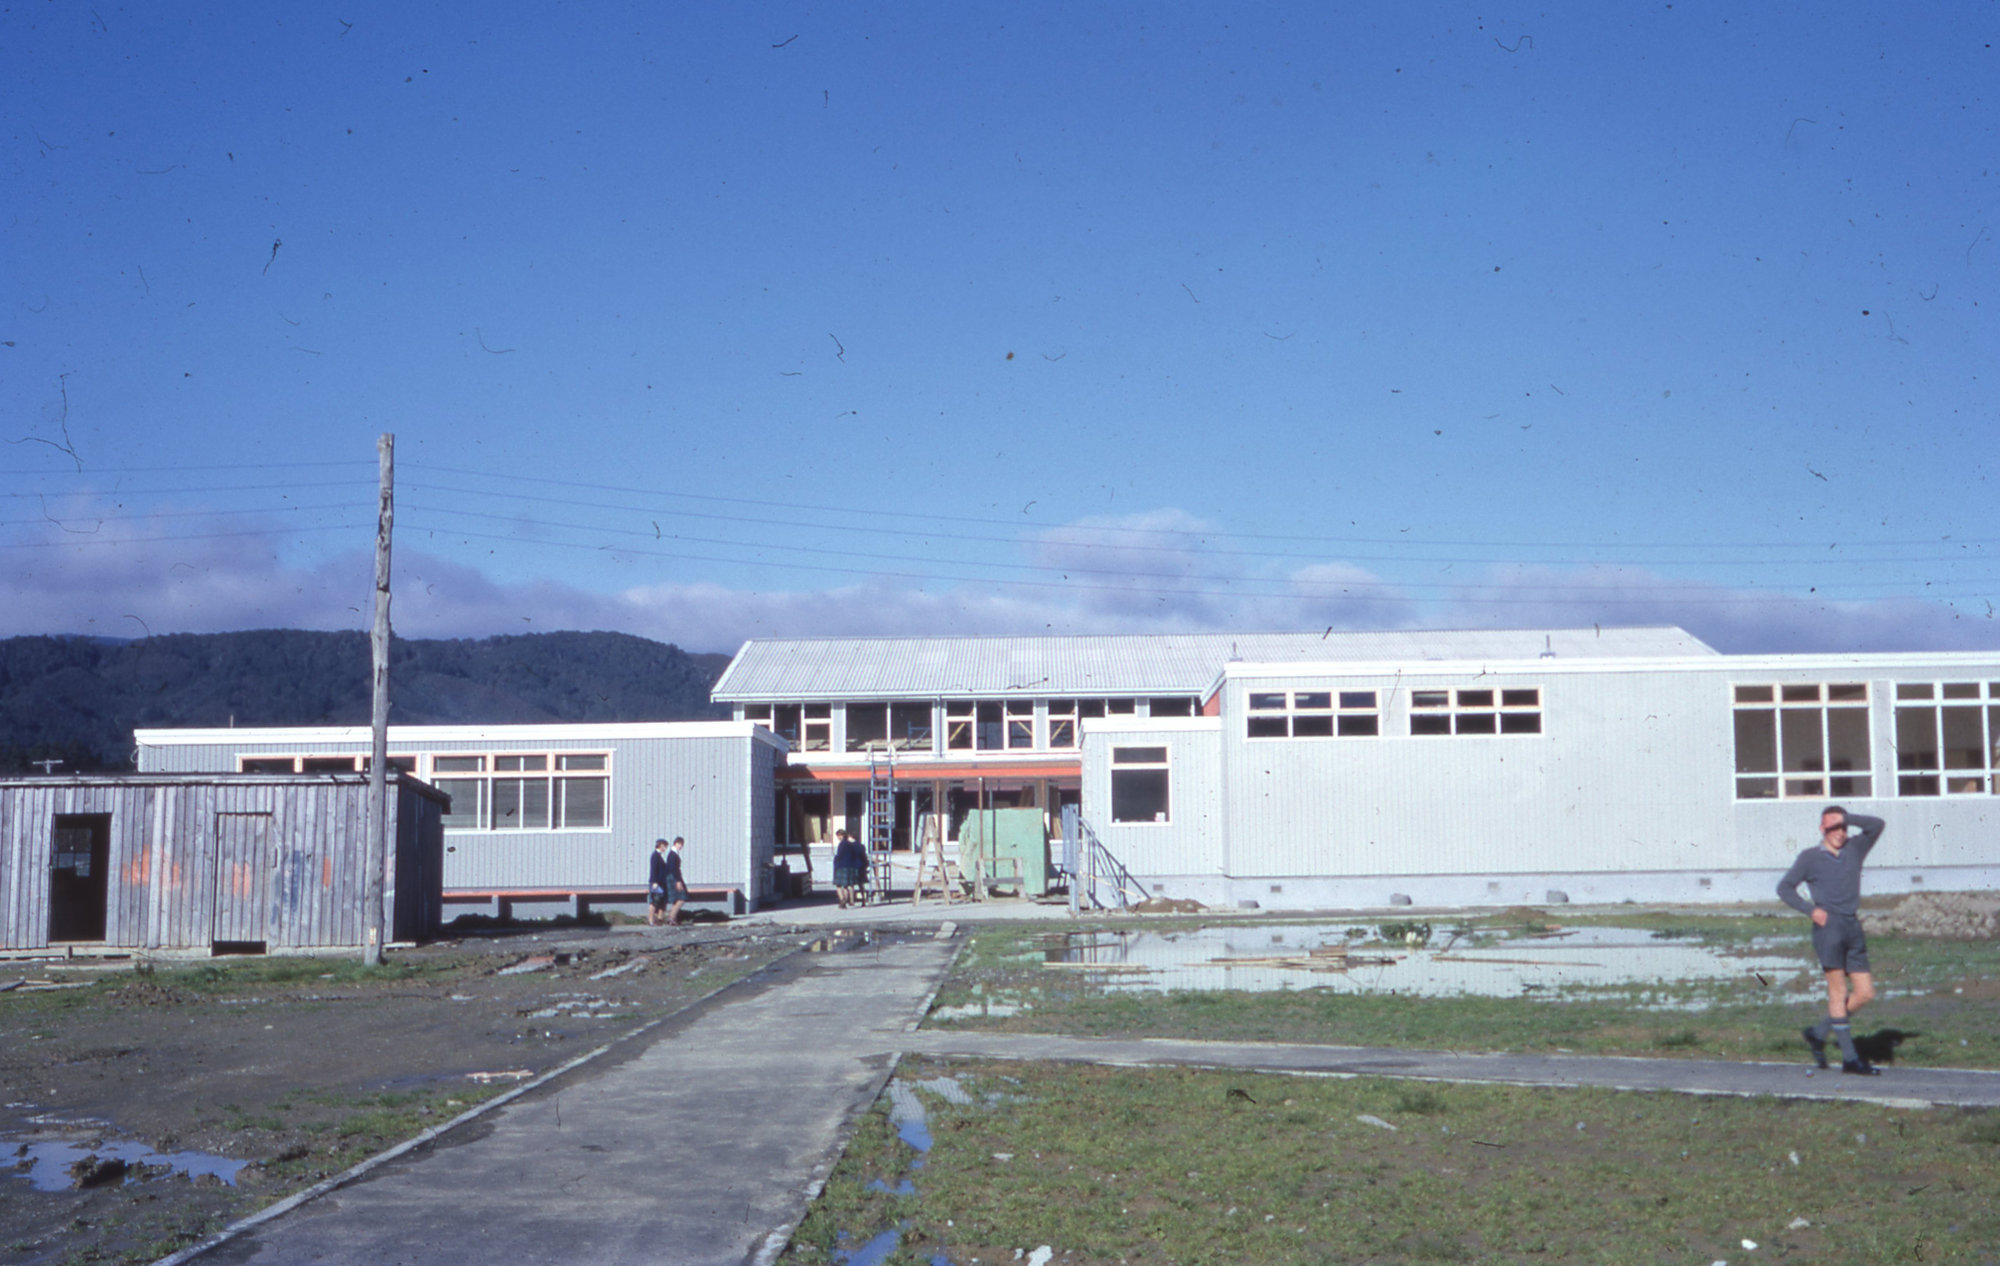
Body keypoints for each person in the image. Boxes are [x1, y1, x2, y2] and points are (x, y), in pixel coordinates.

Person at [1777, 805, 1887, 1075]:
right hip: (1828, 929)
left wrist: (1845, 818)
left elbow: (1877, 824)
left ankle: (1819, 1032)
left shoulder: (1855, 848)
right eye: (1831, 828)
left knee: (1865, 993)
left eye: (1841, 827)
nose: (1838, 833)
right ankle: (1850, 1059)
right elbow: (1784, 887)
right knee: (1838, 992)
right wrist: (1811, 910)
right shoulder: (1809, 858)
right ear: (1821, 829)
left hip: (1852, 925)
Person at [831, 828, 868, 909]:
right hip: (857, 866)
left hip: (846, 866)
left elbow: (840, 855)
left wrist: (836, 860)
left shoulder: (845, 844)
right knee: (853, 884)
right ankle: (857, 900)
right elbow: (862, 855)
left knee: (842, 885)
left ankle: (844, 900)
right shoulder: (860, 845)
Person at [663, 836, 690, 927]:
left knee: (677, 898)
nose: (681, 846)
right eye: (680, 844)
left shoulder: (672, 854)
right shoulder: (673, 855)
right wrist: (678, 881)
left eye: (682, 845)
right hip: (674, 878)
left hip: (673, 877)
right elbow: (674, 869)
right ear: (675, 843)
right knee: (682, 897)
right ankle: (671, 917)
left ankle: (672, 917)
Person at [647, 838, 672, 926]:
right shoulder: (655, 856)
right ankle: (650, 919)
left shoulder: (659, 856)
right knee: (654, 901)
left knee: (661, 901)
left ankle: (659, 919)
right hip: (656, 882)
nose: (665, 848)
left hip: (661, 882)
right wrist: (654, 881)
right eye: (664, 846)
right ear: (660, 846)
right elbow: (653, 869)